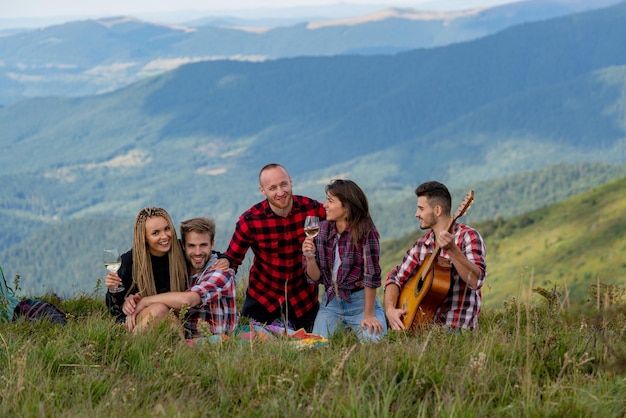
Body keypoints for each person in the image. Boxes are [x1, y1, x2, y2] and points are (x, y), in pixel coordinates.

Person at [212, 163, 325, 332]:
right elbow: (232, 258)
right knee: (249, 339)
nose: (280, 192)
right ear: (262, 191)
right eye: (272, 188)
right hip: (263, 297)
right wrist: (222, 266)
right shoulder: (250, 220)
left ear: (291, 182)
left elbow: (342, 219)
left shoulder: (313, 209)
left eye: (283, 184)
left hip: (303, 298)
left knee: (315, 341)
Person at [384, 181, 487, 331]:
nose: (416, 214)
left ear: (437, 210)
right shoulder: (421, 245)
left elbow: (476, 280)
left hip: (457, 330)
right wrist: (390, 309)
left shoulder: (468, 237)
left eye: (421, 208)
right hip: (420, 328)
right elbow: (395, 278)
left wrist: (453, 250)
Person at [302, 179, 387, 342]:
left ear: (347, 206)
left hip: (361, 303)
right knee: (318, 345)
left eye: (330, 201)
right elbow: (315, 278)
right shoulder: (322, 230)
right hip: (332, 303)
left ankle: (358, 325)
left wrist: (368, 315)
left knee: (374, 344)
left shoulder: (366, 231)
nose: (325, 205)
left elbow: (372, 275)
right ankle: (346, 329)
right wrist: (310, 258)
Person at [124, 217, 237, 337]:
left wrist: (145, 301)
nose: (198, 252)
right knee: (158, 310)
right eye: (192, 246)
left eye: (203, 245)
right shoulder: (181, 269)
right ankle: (127, 347)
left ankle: (128, 346)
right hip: (179, 335)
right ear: (183, 245)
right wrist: (133, 301)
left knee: (159, 310)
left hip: (209, 341)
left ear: (212, 244)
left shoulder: (221, 272)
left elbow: (187, 300)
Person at [105, 207, 188, 325]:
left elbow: (207, 254)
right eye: (155, 233)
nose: (164, 236)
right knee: (159, 310)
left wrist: (224, 260)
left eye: (167, 229)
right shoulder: (130, 262)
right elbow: (115, 310)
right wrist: (113, 290)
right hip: (141, 319)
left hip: (177, 320)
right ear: (144, 237)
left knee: (168, 316)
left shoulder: (183, 250)